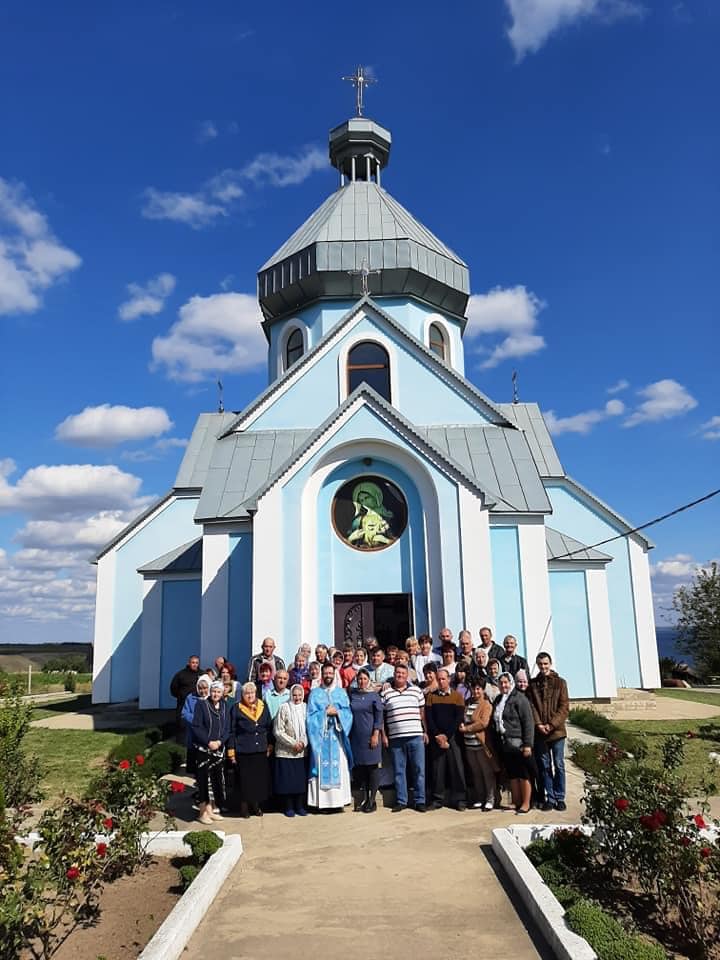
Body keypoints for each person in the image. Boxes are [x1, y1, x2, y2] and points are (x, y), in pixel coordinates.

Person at [306, 663, 354, 810]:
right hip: (321, 739)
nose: (328, 675)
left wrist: (338, 713)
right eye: (325, 673)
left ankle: (339, 802)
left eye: (330, 673)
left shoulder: (341, 693)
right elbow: (310, 717)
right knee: (321, 767)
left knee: (339, 765)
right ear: (322, 674)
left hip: (337, 736)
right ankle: (322, 803)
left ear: (334, 674)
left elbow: (348, 714)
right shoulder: (315, 693)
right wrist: (324, 714)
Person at [381, 663, 428, 813]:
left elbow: (422, 714)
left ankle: (420, 800)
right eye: (397, 673)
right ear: (394, 674)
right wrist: (384, 735)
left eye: (402, 673)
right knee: (399, 771)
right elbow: (382, 717)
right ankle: (402, 801)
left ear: (407, 675)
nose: (399, 675)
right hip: (395, 738)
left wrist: (425, 732)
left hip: (415, 736)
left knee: (419, 770)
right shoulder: (386, 693)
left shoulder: (416, 691)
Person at [528, 652, 569, 812]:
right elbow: (532, 706)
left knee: (558, 765)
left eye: (545, 663)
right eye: (540, 664)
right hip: (540, 733)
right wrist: (539, 724)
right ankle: (550, 797)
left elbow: (564, 707)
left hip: (557, 732)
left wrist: (551, 725)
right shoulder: (533, 684)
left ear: (550, 664)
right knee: (545, 766)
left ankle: (560, 797)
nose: (543, 667)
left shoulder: (560, 683)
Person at [228, 681, 273, 817]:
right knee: (244, 781)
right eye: (246, 693)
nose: (249, 695)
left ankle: (256, 805)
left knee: (258, 780)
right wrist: (231, 751)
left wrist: (270, 744)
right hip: (244, 749)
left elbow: (269, 727)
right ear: (242, 694)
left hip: (260, 749)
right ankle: (244, 806)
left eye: (252, 693)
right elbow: (232, 731)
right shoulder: (236, 708)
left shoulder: (263, 706)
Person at [493, 672, 535, 814]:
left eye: (506, 682)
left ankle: (526, 803)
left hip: (519, 743)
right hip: (505, 743)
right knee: (512, 773)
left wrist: (528, 744)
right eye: (501, 683)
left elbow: (528, 722)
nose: (503, 685)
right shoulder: (499, 699)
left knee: (523, 774)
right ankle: (516, 801)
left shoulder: (520, 698)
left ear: (511, 683)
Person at [425, 668, 467, 810]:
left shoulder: (457, 696)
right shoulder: (431, 696)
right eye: (439, 679)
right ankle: (437, 799)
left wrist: (446, 736)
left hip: (452, 738)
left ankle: (460, 799)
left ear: (449, 679)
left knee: (457, 768)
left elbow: (458, 718)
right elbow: (429, 718)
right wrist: (438, 735)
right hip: (436, 738)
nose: (441, 681)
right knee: (438, 770)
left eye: (444, 679)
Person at [191, 679, 230, 824]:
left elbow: (227, 728)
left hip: (218, 749)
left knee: (215, 780)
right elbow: (196, 727)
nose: (215, 694)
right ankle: (202, 812)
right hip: (204, 748)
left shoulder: (224, 706)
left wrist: (220, 741)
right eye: (213, 691)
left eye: (218, 692)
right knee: (203, 781)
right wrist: (209, 742)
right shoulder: (202, 705)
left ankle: (211, 809)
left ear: (222, 693)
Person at [460, 680, 499, 810]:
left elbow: (483, 723)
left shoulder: (486, 704)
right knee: (475, 773)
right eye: (473, 689)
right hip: (469, 744)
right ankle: (479, 798)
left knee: (486, 772)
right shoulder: (468, 703)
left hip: (481, 744)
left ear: (482, 690)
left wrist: (467, 728)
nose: (475, 691)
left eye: (478, 689)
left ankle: (490, 799)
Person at [348, 667, 383, 812]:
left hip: (371, 737)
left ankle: (372, 800)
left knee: (372, 768)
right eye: (359, 679)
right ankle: (364, 798)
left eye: (364, 679)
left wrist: (375, 734)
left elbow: (379, 716)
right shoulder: (352, 695)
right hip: (356, 738)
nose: (362, 682)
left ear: (368, 680)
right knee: (361, 768)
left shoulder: (374, 696)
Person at [273, 684, 309, 817]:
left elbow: (310, 728)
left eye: (300, 695)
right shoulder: (284, 707)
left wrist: (303, 743)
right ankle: (288, 807)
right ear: (290, 695)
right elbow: (278, 730)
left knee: (300, 782)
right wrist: (293, 743)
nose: (297, 697)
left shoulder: (306, 708)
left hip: (301, 752)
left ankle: (300, 806)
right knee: (288, 782)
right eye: (294, 695)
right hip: (286, 752)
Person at [170, 655, 200, 743]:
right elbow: (173, 688)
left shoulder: (202, 674)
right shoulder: (180, 674)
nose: (194, 665)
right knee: (181, 726)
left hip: (197, 705)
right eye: (193, 662)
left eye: (196, 663)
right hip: (182, 704)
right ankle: (180, 746)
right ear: (189, 663)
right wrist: (181, 696)